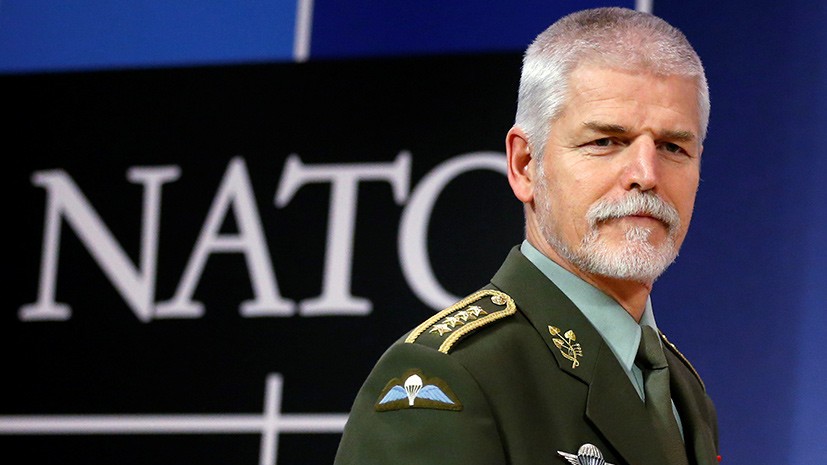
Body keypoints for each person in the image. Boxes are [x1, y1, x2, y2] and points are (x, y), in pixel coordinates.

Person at [334, 7, 719, 465]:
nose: (646, 174)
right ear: (524, 165)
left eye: (673, 147)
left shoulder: (683, 390)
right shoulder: (447, 377)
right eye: (605, 141)